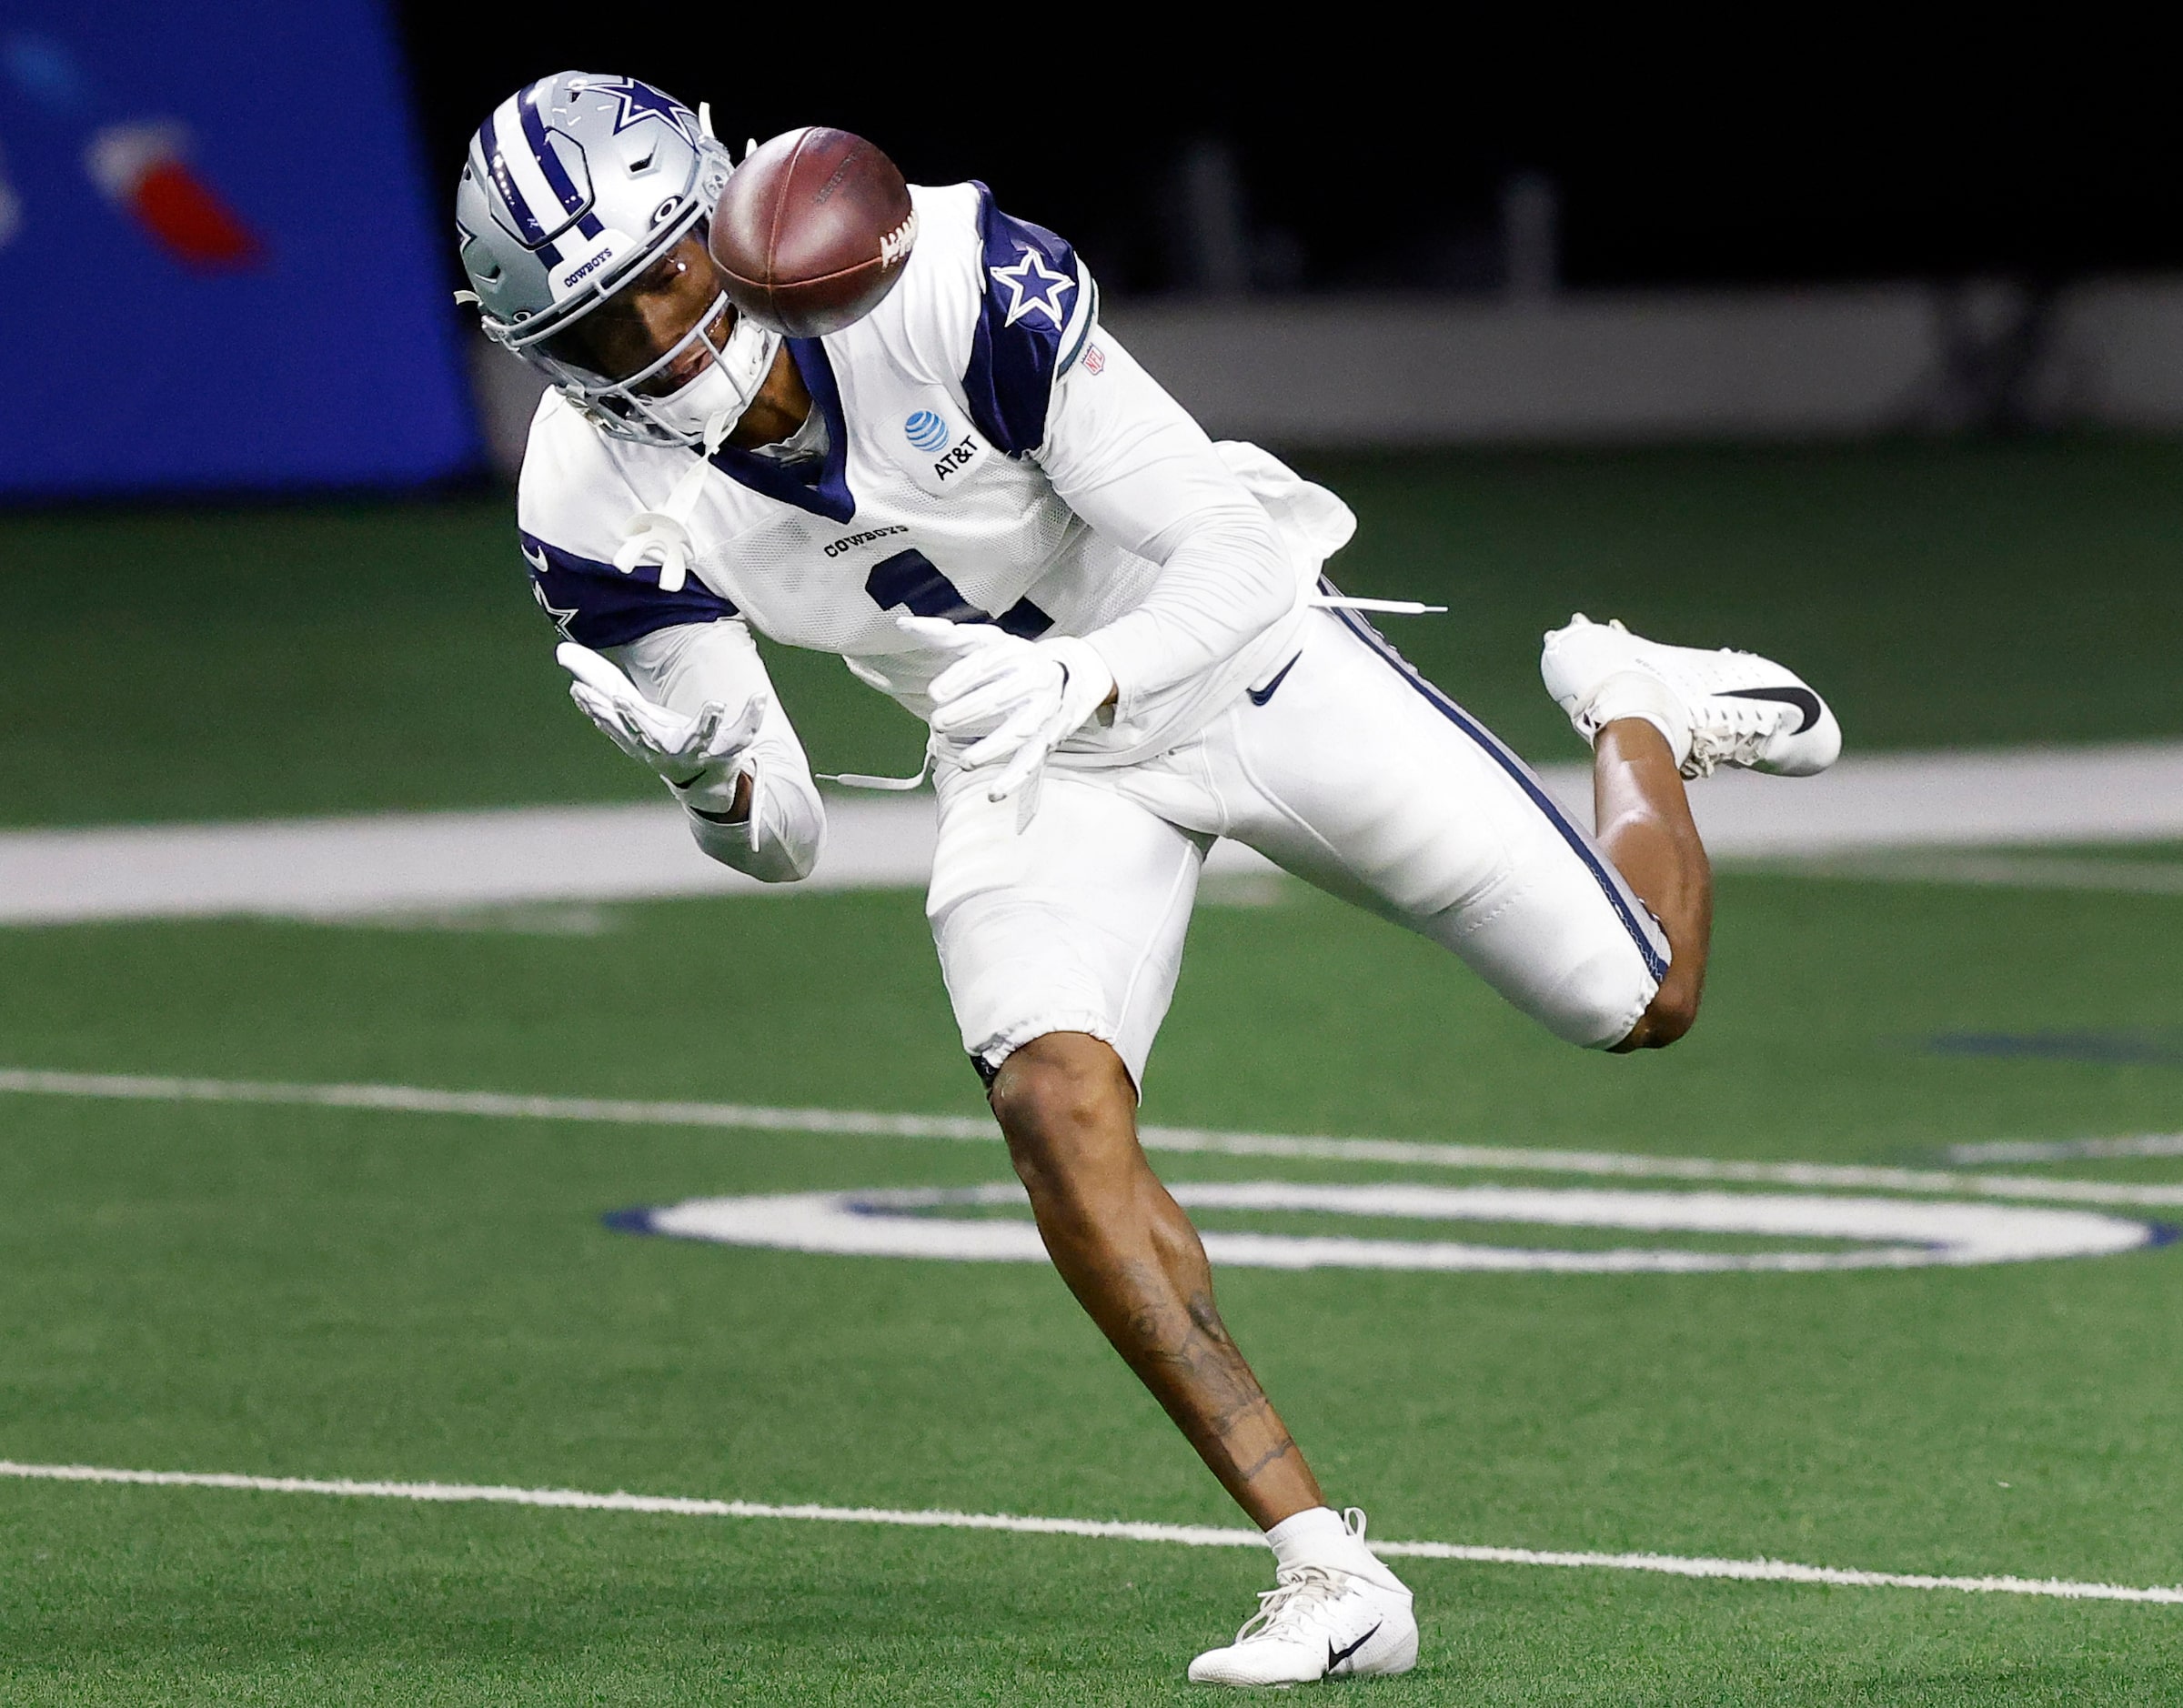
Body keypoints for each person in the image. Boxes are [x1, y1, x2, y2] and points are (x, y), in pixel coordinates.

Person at [456, 73, 1841, 1687]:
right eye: (597, 333)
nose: (655, 350)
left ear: (720, 215)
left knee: (1639, 996)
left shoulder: (937, 272)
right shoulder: (591, 486)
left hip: (1238, 664)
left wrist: (1089, 677)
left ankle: (1634, 704)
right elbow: (786, 835)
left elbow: (1235, 552)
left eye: (666, 284)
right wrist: (705, 777)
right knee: (1051, 1100)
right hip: (1027, 755)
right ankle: (1328, 1572)